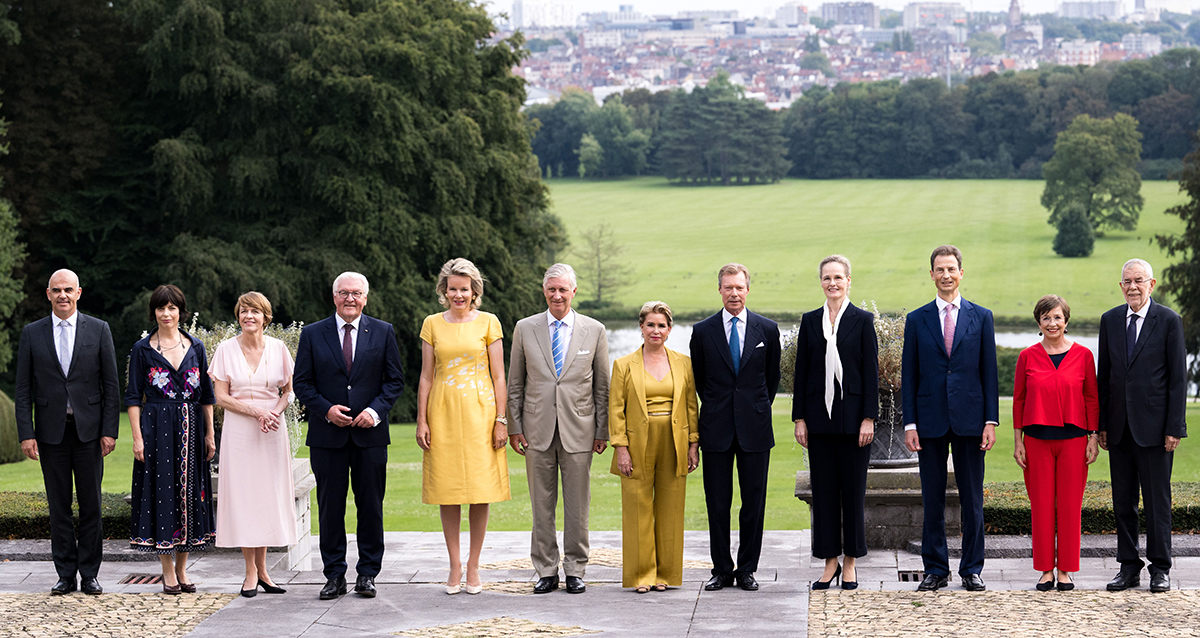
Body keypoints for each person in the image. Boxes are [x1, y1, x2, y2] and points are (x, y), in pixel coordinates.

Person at [294, 272, 404, 600]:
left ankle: (368, 574)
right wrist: (325, 410)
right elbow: (302, 383)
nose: (350, 299)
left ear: (365, 298)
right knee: (330, 508)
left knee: (370, 506)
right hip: (328, 438)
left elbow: (394, 381)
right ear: (334, 297)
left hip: (370, 437)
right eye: (344, 293)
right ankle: (334, 575)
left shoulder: (383, 332)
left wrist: (375, 411)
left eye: (356, 293)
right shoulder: (313, 334)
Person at [14, 269, 120, 596]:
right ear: (48, 294)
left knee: (91, 506)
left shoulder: (99, 329)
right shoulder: (32, 333)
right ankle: (65, 575)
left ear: (79, 293)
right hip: (50, 434)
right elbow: (23, 390)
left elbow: (111, 385)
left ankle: (89, 575)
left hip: (89, 433)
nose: (63, 295)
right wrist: (26, 434)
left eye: (68, 290)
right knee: (59, 507)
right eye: (57, 290)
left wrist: (109, 430)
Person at [508, 263, 610, 595]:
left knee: (578, 506)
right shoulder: (525, 328)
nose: (557, 295)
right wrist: (514, 426)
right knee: (541, 504)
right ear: (544, 291)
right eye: (551, 289)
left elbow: (602, 386)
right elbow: (515, 384)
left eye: (563, 289)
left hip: (580, 429)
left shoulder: (594, 330)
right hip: (536, 429)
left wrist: (602, 430)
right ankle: (546, 570)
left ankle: (576, 569)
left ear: (573, 292)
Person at [902, 245, 998, 592]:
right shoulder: (916, 319)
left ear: (961, 273)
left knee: (973, 499)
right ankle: (935, 569)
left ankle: (971, 569)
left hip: (971, 419)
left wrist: (991, 420)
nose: (945, 275)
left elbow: (989, 372)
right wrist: (909, 423)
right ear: (931, 275)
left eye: (951, 269)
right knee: (932, 499)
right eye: (939, 269)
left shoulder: (981, 317)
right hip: (929, 421)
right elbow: (908, 375)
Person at [416, 258, 510, 595]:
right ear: (444, 290)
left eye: (464, 289)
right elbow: (426, 375)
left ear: (474, 292)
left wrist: (502, 420)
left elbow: (500, 375)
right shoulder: (431, 324)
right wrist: (422, 419)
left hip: (481, 415)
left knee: (480, 491)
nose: (459, 295)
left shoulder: (489, 322)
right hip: (442, 413)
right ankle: (454, 564)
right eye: (453, 289)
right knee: (449, 490)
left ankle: (474, 564)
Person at [690, 263, 781, 592]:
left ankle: (746, 569)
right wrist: (717, 407)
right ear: (719, 290)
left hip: (755, 426)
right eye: (728, 287)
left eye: (739, 287)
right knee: (717, 501)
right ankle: (721, 569)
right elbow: (699, 381)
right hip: (716, 426)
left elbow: (771, 380)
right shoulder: (702, 332)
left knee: (753, 501)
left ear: (747, 289)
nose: (734, 293)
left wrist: (753, 407)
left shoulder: (767, 330)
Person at [1098, 258, 1187, 593]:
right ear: (1120, 286)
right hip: (1119, 429)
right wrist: (1103, 424)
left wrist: (1174, 427)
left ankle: (1160, 568)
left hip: (1155, 429)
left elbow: (1178, 379)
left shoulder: (1168, 320)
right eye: (1126, 281)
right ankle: (1128, 566)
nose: (1132, 287)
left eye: (1138, 280)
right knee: (1123, 502)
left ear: (1151, 284)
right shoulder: (1109, 320)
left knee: (1157, 502)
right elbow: (1104, 377)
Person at [792, 256, 878, 591]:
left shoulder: (862, 320)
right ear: (821, 282)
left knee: (853, 494)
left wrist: (869, 417)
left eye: (838, 277)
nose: (833, 283)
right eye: (827, 278)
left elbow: (871, 372)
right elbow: (801, 373)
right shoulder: (810, 321)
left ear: (849, 280)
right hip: (818, 420)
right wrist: (800, 418)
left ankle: (852, 562)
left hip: (856, 420)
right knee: (825, 494)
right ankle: (830, 562)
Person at [125, 285, 217, 594]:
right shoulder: (142, 349)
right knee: (162, 495)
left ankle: (182, 568)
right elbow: (133, 398)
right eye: (161, 308)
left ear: (181, 311)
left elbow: (206, 396)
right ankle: (167, 571)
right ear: (154, 312)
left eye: (172, 308)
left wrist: (210, 434)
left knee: (189, 496)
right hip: (156, 429)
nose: (166, 314)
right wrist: (137, 438)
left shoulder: (196, 347)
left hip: (191, 428)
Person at [210, 292, 296, 598]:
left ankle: (264, 571)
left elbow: (288, 391)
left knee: (266, 498)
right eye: (244, 311)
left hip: (272, 430)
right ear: (238, 316)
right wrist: (256, 411)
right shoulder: (225, 349)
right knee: (246, 498)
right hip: (240, 431)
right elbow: (220, 397)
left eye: (255, 312)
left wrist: (273, 412)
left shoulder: (280, 349)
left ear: (265, 317)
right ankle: (250, 572)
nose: (249, 316)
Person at [610, 301, 699, 593]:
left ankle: (666, 575)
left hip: (674, 442)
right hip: (636, 444)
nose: (656, 330)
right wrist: (621, 447)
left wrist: (693, 445)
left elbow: (690, 406)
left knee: (671, 507)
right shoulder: (623, 365)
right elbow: (616, 410)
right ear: (641, 328)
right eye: (650, 324)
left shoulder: (684, 363)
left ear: (670, 329)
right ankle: (642, 576)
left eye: (662, 325)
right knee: (637, 507)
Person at [1012, 295, 1100, 592]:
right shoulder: (1027, 356)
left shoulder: (1084, 355)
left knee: (1070, 507)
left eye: (1057, 317)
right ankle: (1045, 571)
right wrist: (1018, 441)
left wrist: (1093, 438)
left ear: (1066, 321)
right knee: (1041, 507)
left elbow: (1091, 399)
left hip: (1074, 441)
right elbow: (1019, 400)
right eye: (1046, 317)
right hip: (1036, 442)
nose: (1052, 323)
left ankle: (1065, 570)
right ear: (1039, 322)